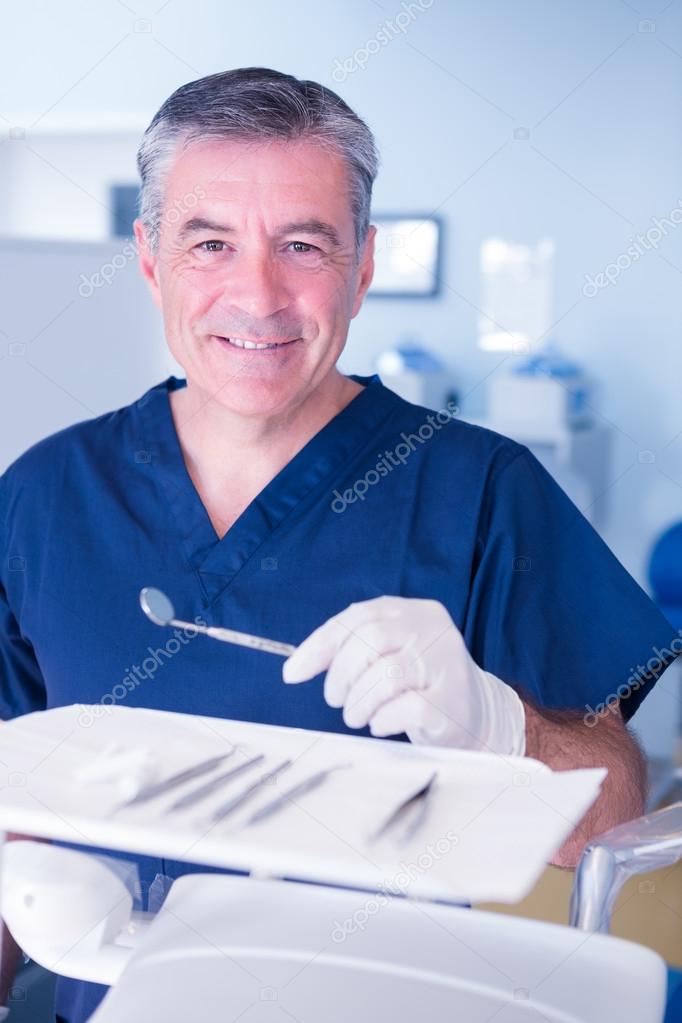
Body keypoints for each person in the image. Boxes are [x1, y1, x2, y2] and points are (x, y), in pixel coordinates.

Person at [0, 66, 678, 1023]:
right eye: (210, 243)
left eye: (303, 245)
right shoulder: (41, 498)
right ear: (150, 259)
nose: (258, 295)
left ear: (362, 266)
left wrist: (503, 726)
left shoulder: (480, 490)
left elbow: (612, 815)